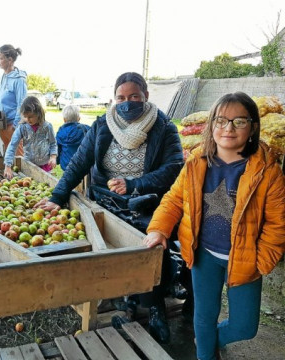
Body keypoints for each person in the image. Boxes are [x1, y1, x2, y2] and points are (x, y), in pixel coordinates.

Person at [36, 72, 184, 343]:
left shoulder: (164, 127)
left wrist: (135, 184)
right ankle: (125, 299)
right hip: (106, 201)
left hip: (147, 203)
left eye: (134, 97)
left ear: (146, 96)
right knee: (113, 253)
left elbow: (174, 168)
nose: (128, 103)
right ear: (114, 99)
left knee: (151, 253)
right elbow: (79, 162)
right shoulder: (102, 125)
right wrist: (57, 197)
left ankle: (154, 307)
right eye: (121, 98)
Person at [143, 92, 285, 360]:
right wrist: (158, 229)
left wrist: (261, 261)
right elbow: (174, 199)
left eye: (239, 121)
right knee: (203, 317)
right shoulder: (197, 162)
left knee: (245, 327)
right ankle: (206, 352)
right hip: (204, 256)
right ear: (211, 126)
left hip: (245, 259)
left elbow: (278, 223)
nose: (228, 128)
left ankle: (207, 341)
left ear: (253, 126)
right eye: (221, 120)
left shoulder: (267, 171)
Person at [0, 44, 27, 154]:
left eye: (0, 58)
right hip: (1, 124)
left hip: (12, 127)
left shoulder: (19, 80)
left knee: (18, 159)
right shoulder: (3, 77)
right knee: (4, 158)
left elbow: (22, 105)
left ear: (10, 60)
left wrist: (15, 127)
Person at [3, 96, 57, 179]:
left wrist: (53, 157)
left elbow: (53, 143)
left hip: (45, 166)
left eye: (30, 117)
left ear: (38, 113)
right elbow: (12, 145)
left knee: (45, 186)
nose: (27, 119)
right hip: (28, 166)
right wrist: (8, 165)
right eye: (25, 116)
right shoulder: (22, 127)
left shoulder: (47, 127)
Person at [56, 104, 90, 171]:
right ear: (79, 118)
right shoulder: (86, 129)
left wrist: (57, 160)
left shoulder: (61, 131)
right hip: (83, 164)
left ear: (64, 120)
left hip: (67, 165)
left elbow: (57, 148)